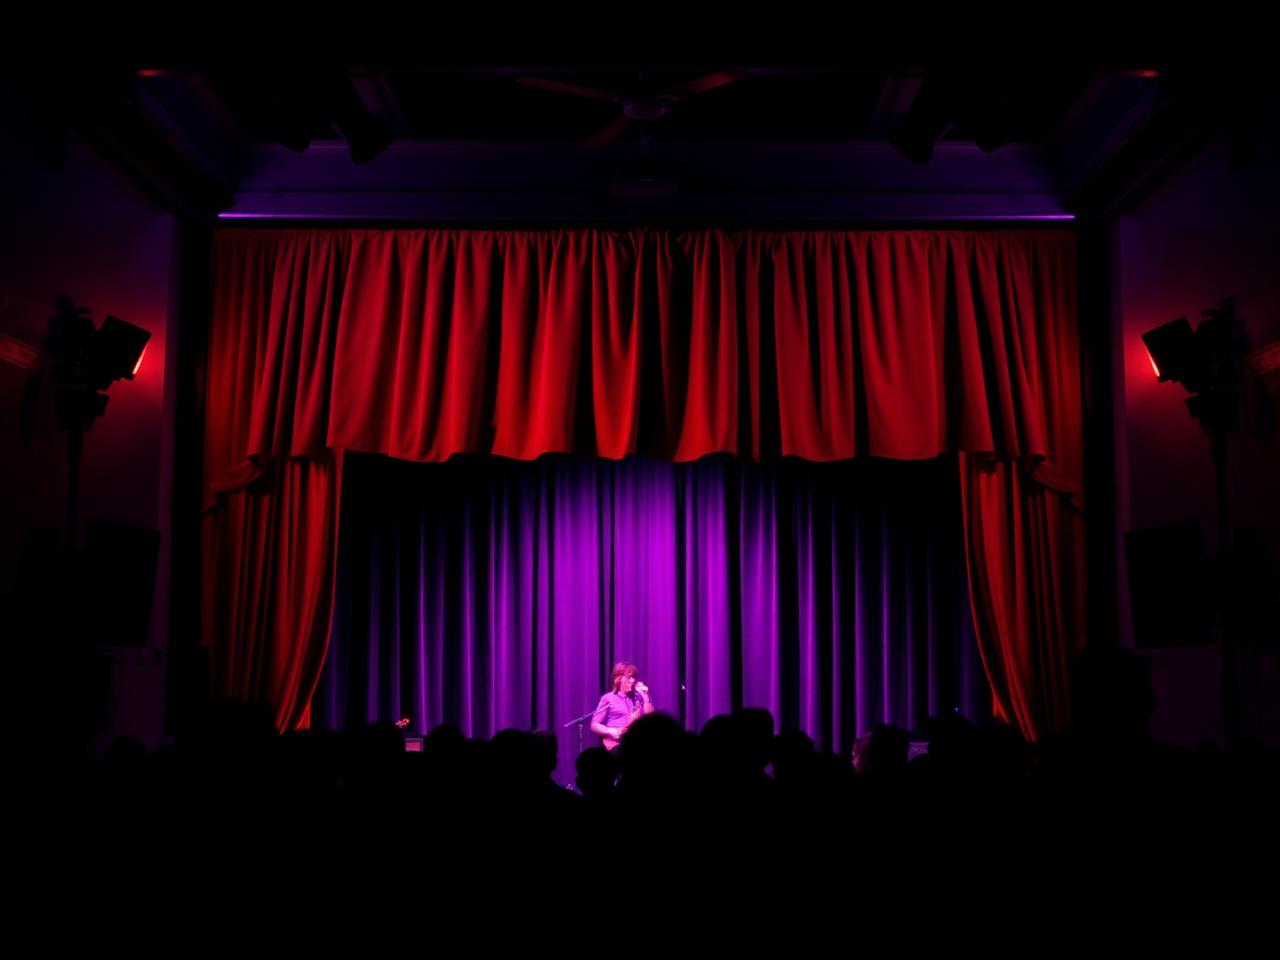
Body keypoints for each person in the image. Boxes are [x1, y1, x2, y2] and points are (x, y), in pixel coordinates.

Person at [590, 662, 654, 751]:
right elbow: (594, 724)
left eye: (634, 677)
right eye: (629, 677)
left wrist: (646, 697)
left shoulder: (638, 697)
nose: (632, 680)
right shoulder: (608, 698)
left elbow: (651, 718)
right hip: (616, 745)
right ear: (618, 678)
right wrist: (611, 731)